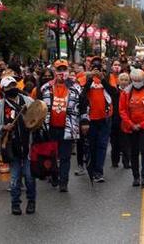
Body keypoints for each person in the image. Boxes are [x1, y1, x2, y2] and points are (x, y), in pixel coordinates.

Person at [40, 60, 88, 192]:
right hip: (49, 128)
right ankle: (54, 176)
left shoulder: (76, 88)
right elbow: (38, 107)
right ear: (55, 72)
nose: (62, 73)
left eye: (64, 70)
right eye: (59, 70)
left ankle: (63, 182)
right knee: (51, 155)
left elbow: (84, 106)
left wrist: (84, 122)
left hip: (68, 127)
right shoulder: (45, 88)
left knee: (65, 156)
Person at [0, 76, 36, 215]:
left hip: (28, 144)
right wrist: (4, 127)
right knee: (15, 178)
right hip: (11, 146)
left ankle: (31, 201)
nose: (12, 89)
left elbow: (38, 116)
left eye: (14, 85)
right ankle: (15, 204)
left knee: (29, 176)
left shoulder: (28, 101)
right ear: (3, 90)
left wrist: (34, 123)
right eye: (9, 87)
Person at [119, 68, 144, 188]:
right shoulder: (126, 92)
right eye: (135, 80)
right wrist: (131, 124)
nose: (137, 82)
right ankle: (135, 177)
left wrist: (143, 124)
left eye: (139, 80)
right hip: (130, 127)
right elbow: (122, 110)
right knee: (134, 152)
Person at [81, 60, 116, 182]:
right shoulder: (85, 79)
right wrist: (90, 78)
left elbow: (114, 92)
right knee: (91, 146)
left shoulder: (108, 78)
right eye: (94, 68)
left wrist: (102, 79)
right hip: (90, 119)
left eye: (98, 68)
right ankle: (91, 169)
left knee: (102, 145)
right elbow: (82, 95)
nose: (96, 71)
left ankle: (99, 172)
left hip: (105, 118)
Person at [110, 70, 130, 168]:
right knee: (115, 143)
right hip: (116, 120)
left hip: (127, 121)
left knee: (126, 143)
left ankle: (126, 162)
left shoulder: (131, 92)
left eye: (126, 80)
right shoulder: (115, 92)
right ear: (118, 81)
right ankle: (115, 161)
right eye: (122, 79)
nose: (124, 81)